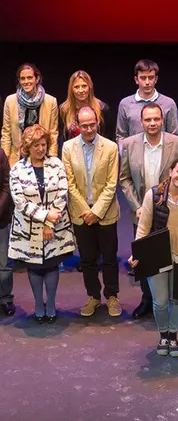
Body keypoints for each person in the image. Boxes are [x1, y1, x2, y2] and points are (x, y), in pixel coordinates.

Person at [119, 103, 178, 319]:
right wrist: (138, 207)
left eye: (156, 119)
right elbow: (124, 178)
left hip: (172, 212)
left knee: (173, 257)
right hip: (141, 212)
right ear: (141, 122)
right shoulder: (129, 144)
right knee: (145, 258)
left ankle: (174, 302)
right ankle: (147, 299)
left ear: (163, 120)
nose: (152, 123)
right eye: (148, 119)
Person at [128, 157, 178, 357]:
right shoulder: (154, 194)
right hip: (157, 255)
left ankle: (173, 336)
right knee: (160, 301)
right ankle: (163, 335)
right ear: (171, 171)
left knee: (177, 300)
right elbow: (143, 227)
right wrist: (137, 252)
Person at [9, 124, 75, 324]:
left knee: (52, 264)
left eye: (43, 144)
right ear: (27, 147)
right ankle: (39, 304)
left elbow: (63, 194)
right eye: (36, 145)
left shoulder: (56, 164)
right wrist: (46, 216)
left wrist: (49, 224)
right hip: (28, 229)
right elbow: (20, 202)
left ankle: (51, 304)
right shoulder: (17, 169)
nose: (40, 149)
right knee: (35, 267)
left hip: (55, 226)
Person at [62, 106, 121, 317]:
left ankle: (112, 296)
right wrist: (86, 211)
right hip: (80, 213)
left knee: (109, 258)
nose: (88, 129)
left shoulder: (111, 147)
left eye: (92, 125)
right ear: (77, 126)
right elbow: (69, 183)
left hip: (106, 213)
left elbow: (111, 184)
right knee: (87, 259)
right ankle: (94, 297)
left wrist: (96, 211)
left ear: (98, 123)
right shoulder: (68, 147)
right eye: (84, 125)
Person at [2, 63, 59, 166]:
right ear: (19, 81)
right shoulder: (10, 101)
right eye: (22, 78)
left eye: (29, 77)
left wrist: (52, 158)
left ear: (37, 79)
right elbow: (6, 132)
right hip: (18, 156)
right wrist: (5, 158)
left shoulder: (50, 101)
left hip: (42, 155)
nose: (26, 81)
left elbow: (53, 133)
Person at [115, 59, 178, 148]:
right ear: (136, 79)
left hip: (162, 153)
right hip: (134, 154)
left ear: (156, 79)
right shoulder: (125, 104)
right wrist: (126, 153)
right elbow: (121, 136)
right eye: (143, 78)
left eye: (151, 77)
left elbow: (174, 136)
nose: (147, 82)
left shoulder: (168, 103)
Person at [58, 70, 113, 153]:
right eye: (76, 87)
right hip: (72, 156)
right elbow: (60, 139)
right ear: (71, 89)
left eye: (84, 86)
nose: (81, 90)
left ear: (90, 87)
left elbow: (109, 138)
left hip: (99, 155)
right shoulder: (64, 110)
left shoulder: (102, 109)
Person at [0, 147, 12, 317]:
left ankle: (5, 298)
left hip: (0, 217)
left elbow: (6, 185)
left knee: (3, 262)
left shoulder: (0, 154)